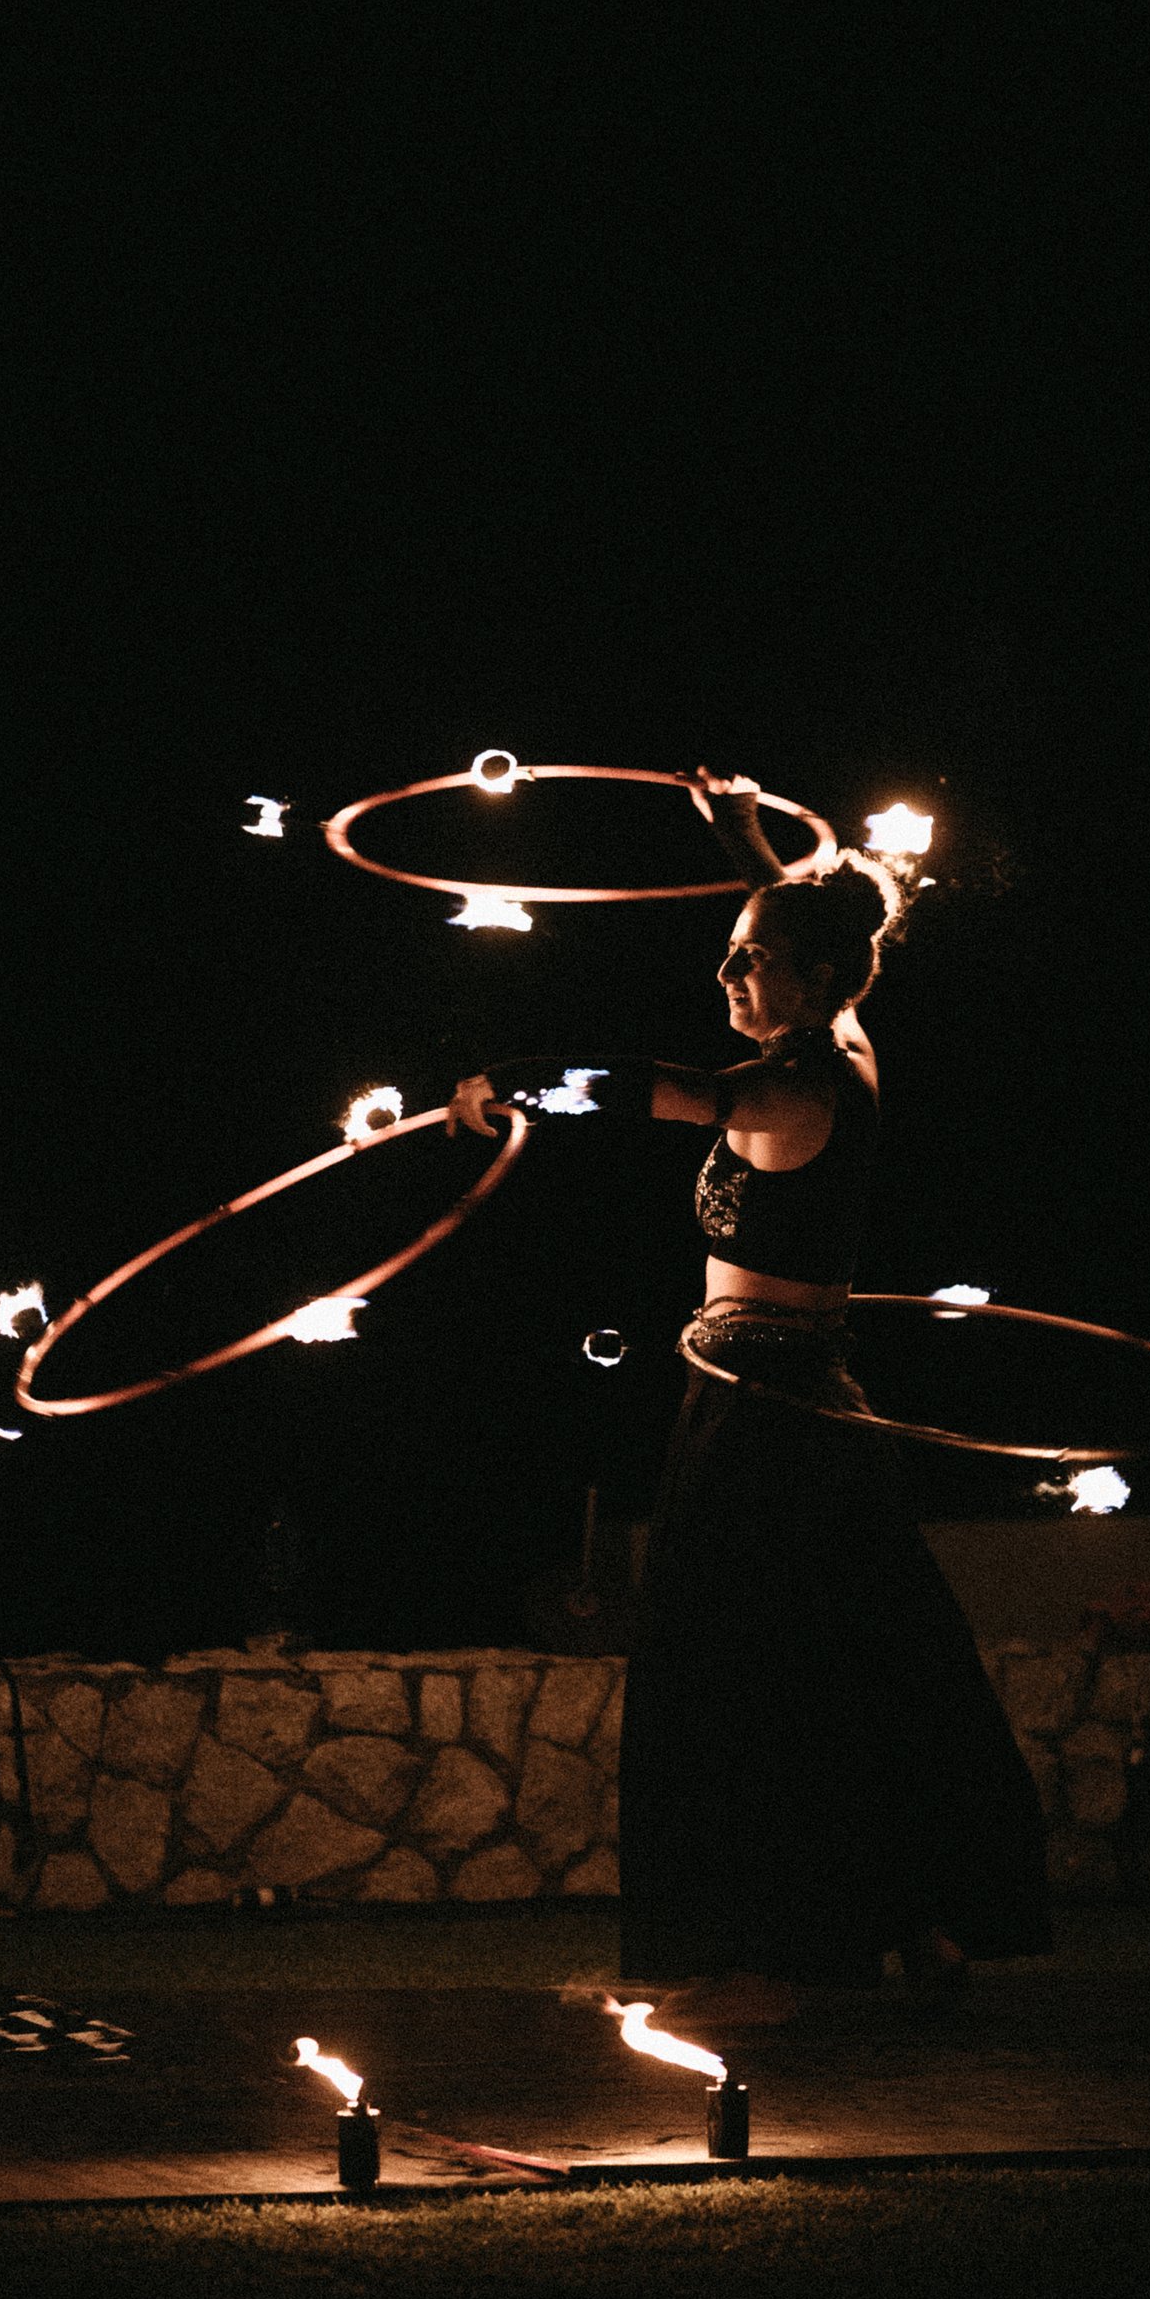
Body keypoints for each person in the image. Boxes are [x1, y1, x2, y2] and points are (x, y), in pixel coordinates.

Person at [451, 770, 1050, 2022]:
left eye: (751, 962)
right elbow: (801, 920)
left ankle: (775, 1962)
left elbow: (636, 1086)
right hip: (802, 1393)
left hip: (767, 1408)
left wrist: (512, 1077)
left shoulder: (792, 1089)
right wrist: (737, 837)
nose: (727, 976)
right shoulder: (838, 1038)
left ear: (821, 978)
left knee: (745, 1676)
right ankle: (921, 1923)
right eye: (728, 956)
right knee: (858, 1658)